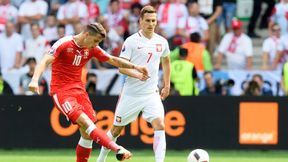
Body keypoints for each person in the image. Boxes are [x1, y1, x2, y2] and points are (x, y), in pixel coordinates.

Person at [28, 22, 149, 162]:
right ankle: (117, 148)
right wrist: (34, 80)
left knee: (87, 134)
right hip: (62, 93)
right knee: (87, 123)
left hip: (79, 91)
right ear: (86, 35)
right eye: (96, 40)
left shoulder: (91, 48)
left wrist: (136, 67)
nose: (96, 44)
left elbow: (113, 60)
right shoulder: (64, 43)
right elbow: (44, 61)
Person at [97, 5, 171, 162]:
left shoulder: (162, 42)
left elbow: (166, 61)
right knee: (116, 130)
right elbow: (121, 68)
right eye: (148, 21)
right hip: (131, 94)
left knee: (160, 124)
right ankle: (101, 159)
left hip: (151, 93)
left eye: (154, 21)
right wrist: (137, 74)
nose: (151, 24)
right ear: (140, 21)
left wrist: (167, 84)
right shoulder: (131, 41)